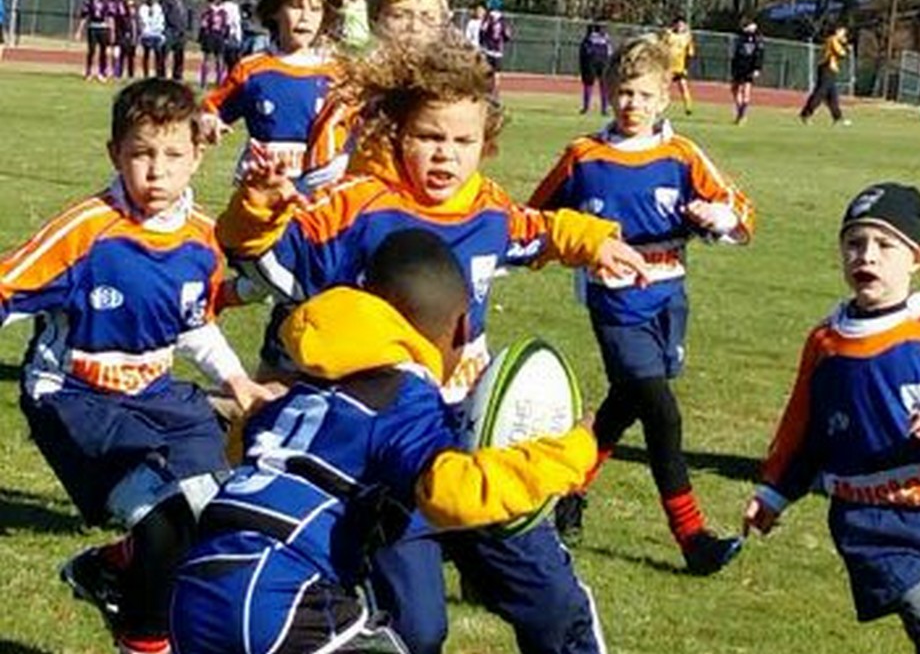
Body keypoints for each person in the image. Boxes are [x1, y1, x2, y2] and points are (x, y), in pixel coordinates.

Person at [216, 35, 644, 654]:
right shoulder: (357, 206)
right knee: (414, 629)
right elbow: (266, 258)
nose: (446, 156)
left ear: (485, 143)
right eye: (429, 137)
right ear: (396, 133)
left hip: (472, 434)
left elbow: (536, 230)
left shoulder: (488, 209)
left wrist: (593, 239)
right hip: (389, 456)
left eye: (463, 141)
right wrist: (258, 208)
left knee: (552, 605)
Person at [170, 228, 598, 654]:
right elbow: (451, 492)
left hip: (196, 585)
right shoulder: (404, 395)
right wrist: (572, 451)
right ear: (462, 328)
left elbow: (246, 441)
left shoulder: (308, 391)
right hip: (278, 593)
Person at [0, 78, 279, 654]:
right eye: (140, 153)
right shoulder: (84, 232)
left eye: (173, 154)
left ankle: (109, 567)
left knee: (217, 515)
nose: (157, 171)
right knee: (166, 521)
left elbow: (195, 323)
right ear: (115, 155)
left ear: (197, 155)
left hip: (158, 396)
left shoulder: (203, 238)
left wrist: (238, 382)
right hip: (76, 400)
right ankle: (144, 639)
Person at [744, 182, 920, 654]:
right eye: (854, 243)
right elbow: (801, 429)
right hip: (867, 521)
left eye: (884, 245)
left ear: (915, 258)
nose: (866, 256)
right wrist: (773, 493)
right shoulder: (826, 344)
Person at [530, 33, 754, 575]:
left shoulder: (681, 154)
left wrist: (716, 219)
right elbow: (534, 218)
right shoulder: (584, 157)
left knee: (628, 401)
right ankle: (692, 537)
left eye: (645, 95)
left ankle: (569, 490)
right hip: (613, 298)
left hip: (669, 296)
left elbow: (741, 214)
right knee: (660, 409)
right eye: (624, 93)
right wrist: (568, 245)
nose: (633, 105)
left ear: (665, 99)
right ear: (609, 93)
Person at [302, 0, 456, 193]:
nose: (414, 26)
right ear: (376, 20)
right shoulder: (354, 86)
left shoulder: (456, 89)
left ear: (444, 23)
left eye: (427, 17)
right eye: (400, 15)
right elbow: (318, 171)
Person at [200, 0, 336, 190]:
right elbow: (213, 109)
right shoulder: (252, 70)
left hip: (317, 196)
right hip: (262, 192)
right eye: (295, 7)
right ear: (275, 10)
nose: (305, 18)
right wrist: (209, 121)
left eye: (315, 9)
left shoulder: (338, 73)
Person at [799, 24, 850, 126]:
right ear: (837, 31)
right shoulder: (833, 39)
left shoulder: (835, 40)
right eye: (843, 32)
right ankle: (806, 114)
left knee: (832, 95)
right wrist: (846, 47)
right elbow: (841, 53)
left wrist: (845, 45)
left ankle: (838, 117)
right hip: (827, 68)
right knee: (820, 92)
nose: (844, 35)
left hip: (831, 69)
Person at [730, 17, 764, 125]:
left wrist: (757, 68)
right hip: (739, 67)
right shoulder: (740, 37)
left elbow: (759, 55)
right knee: (735, 89)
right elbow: (736, 54)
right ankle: (741, 112)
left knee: (746, 91)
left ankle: (742, 115)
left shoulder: (757, 38)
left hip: (749, 67)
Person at [76, 0, 112, 81]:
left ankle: (100, 72)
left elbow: (109, 16)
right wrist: (79, 30)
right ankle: (91, 72)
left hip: (102, 27)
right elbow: (85, 15)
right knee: (94, 51)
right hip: (94, 26)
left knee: (100, 51)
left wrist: (79, 30)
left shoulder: (106, 1)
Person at [478, 0, 513, 98]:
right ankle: (495, 93)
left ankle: (487, 92)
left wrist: (482, 43)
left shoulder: (488, 18)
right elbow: (507, 35)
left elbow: (482, 31)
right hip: (498, 51)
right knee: (497, 73)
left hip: (488, 49)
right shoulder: (503, 20)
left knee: (486, 72)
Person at [662, 16, 695, 115]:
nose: (680, 26)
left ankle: (688, 108)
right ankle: (661, 106)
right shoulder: (668, 35)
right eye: (678, 24)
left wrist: (686, 67)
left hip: (679, 67)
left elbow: (690, 54)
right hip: (668, 67)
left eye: (682, 24)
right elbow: (662, 48)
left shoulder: (687, 37)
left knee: (683, 87)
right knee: (663, 88)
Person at [578, 22, 612, 116]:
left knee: (596, 85)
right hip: (598, 62)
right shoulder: (597, 38)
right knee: (598, 85)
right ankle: (598, 108)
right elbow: (610, 52)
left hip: (596, 62)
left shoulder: (591, 38)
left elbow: (583, 53)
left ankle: (597, 108)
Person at [197, 0, 228, 88]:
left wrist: (225, 36)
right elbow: (203, 25)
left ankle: (219, 81)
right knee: (207, 58)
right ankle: (204, 82)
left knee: (220, 59)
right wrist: (202, 38)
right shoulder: (208, 12)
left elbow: (226, 25)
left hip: (219, 36)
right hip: (210, 35)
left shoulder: (223, 12)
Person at [163, 0, 191, 81]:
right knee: (165, 53)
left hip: (182, 31)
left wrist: (188, 29)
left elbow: (189, 14)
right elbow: (164, 14)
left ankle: (177, 75)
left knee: (179, 54)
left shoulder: (186, 1)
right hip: (170, 30)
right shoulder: (167, 0)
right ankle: (162, 75)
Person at [138, 0, 167, 78]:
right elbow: (143, 21)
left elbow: (160, 20)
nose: (152, 0)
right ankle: (146, 74)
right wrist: (146, 30)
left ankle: (158, 74)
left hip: (157, 34)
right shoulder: (143, 8)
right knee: (146, 54)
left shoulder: (158, 8)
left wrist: (159, 30)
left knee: (158, 54)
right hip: (146, 34)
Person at [219, 0, 244, 72]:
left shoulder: (220, 7)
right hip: (232, 35)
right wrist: (239, 36)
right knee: (233, 59)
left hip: (221, 34)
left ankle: (220, 77)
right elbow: (237, 22)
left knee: (221, 58)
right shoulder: (234, 7)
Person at [115, 0, 139, 81]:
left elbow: (137, 30)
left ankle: (131, 75)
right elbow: (119, 30)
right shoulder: (124, 18)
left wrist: (137, 39)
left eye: (132, 7)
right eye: (129, 7)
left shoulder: (136, 19)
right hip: (124, 42)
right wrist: (120, 40)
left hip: (133, 42)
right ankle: (119, 75)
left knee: (131, 59)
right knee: (122, 58)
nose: (131, 9)